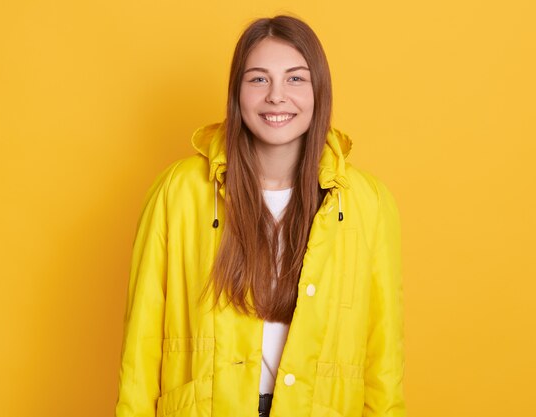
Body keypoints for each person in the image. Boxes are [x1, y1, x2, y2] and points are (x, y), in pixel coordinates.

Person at [115, 14, 405, 417]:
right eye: (258, 79)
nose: (276, 96)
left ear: (319, 90)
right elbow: (141, 345)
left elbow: (382, 355)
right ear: (237, 91)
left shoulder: (366, 202)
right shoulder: (178, 192)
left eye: (295, 79)